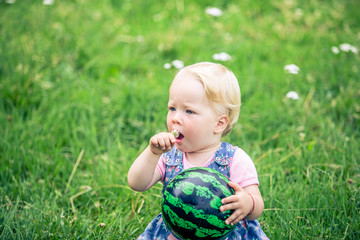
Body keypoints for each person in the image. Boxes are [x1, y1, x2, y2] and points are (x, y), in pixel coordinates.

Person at [128, 62, 268, 239]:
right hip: (178, 233)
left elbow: (257, 205)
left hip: (224, 234)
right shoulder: (169, 157)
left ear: (219, 123)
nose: (176, 118)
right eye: (172, 108)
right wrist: (153, 153)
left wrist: (247, 203)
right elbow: (136, 183)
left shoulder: (235, 159)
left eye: (189, 111)